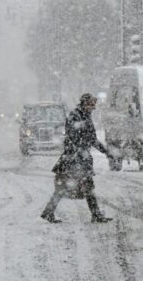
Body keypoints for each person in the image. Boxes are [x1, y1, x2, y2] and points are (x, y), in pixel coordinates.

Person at [41, 93, 114, 224]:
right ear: (84, 104)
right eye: (91, 105)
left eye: (94, 105)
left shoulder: (85, 116)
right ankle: (49, 212)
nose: (93, 107)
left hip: (79, 159)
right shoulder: (75, 116)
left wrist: (105, 151)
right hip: (73, 159)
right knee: (69, 187)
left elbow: (92, 139)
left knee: (84, 186)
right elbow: (73, 136)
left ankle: (49, 212)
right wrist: (78, 151)